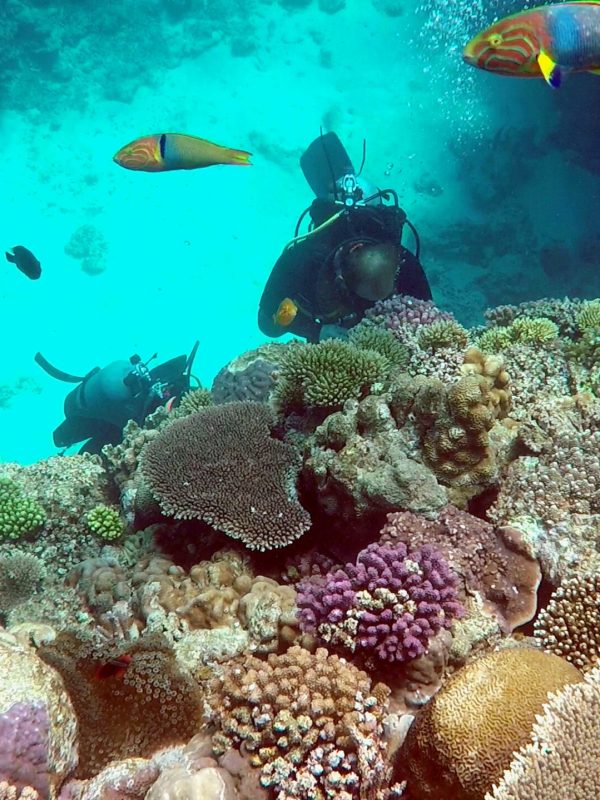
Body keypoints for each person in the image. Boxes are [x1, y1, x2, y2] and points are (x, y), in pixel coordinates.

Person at [258, 132, 432, 343]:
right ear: (339, 274)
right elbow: (266, 321)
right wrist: (315, 330)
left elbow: (430, 321)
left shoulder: (404, 264)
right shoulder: (304, 259)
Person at [34, 342, 199, 454]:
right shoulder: (132, 408)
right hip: (103, 416)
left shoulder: (168, 380)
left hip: (108, 407)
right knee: (75, 442)